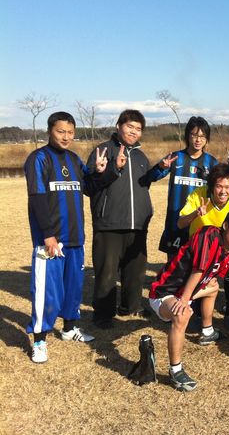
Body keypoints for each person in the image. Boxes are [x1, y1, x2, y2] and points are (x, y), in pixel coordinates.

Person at [24, 112, 112, 363]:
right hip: (51, 240)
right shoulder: (38, 159)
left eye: (70, 132)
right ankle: (39, 340)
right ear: (50, 131)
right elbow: (37, 198)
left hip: (75, 238)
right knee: (47, 292)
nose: (66, 137)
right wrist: (48, 235)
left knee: (73, 288)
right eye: (61, 131)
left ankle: (69, 328)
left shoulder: (74, 159)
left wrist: (101, 172)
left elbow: (89, 188)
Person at [148, 210, 229, 391]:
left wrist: (193, 293)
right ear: (226, 225)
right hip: (164, 293)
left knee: (213, 287)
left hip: (185, 292)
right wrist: (184, 301)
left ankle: (208, 331)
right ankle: (175, 371)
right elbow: (199, 269)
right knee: (182, 315)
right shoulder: (209, 234)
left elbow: (213, 276)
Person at [87, 109, 154, 329]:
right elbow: (89, 187)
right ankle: (103, 314)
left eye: (138, 128)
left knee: (135, 270)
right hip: (109, 223)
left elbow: (143, 186)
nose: (134, 131)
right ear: (119, 126)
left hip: (137, 223)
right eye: (130, 126)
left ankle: (131, 306)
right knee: (106, 272)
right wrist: (110, 169)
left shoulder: (141, 156)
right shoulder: (103, 150)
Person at [177, 163, 229, 329]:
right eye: (219, 186)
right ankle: (195, 313)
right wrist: (196, 213)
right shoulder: (198, 195)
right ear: (211, 186)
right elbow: (180, 223)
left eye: (227, 187)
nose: (223, 191)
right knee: (198, 277)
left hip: (225, 248)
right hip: (200, 248)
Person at [147, 116, 218, 258]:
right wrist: (160, 167)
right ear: (187, 135)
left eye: (202, 136)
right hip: (176, 220)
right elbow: (152, 177)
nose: (198, 140)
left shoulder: (211, 162)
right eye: (194, 135)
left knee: (199, 262)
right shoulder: (175, 157)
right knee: (174, 264)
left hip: (200, 221)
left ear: (207, 139)